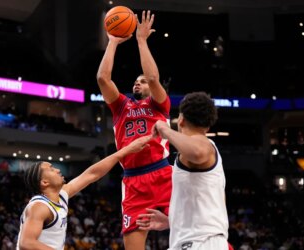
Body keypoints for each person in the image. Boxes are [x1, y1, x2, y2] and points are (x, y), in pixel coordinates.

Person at [96, 9, 173, 250]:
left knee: (193, 230)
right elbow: (102, 78)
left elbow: (152, 77)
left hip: (163, 175)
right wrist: (112, 42)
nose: (137, 83)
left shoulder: (160, 104)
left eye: (140, 81)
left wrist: (141, 40)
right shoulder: (121, 107)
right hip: (133, 181)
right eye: (135, 81)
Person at [16, 135, 152, 250]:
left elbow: (92, 174)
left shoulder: (61, 195)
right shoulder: (39, 206)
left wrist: (125, 151)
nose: (57, 170)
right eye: (51, 169)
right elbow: (26, 243)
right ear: (44, 182)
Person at [137, 92, 230, 250]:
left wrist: (164, 130)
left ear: (181, 119)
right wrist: (171, 220)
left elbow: (198, 152)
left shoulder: (202, 144)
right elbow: (210, 207)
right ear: (208, 125)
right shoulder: (207, 151)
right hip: (197, 241)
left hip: (201, 243)